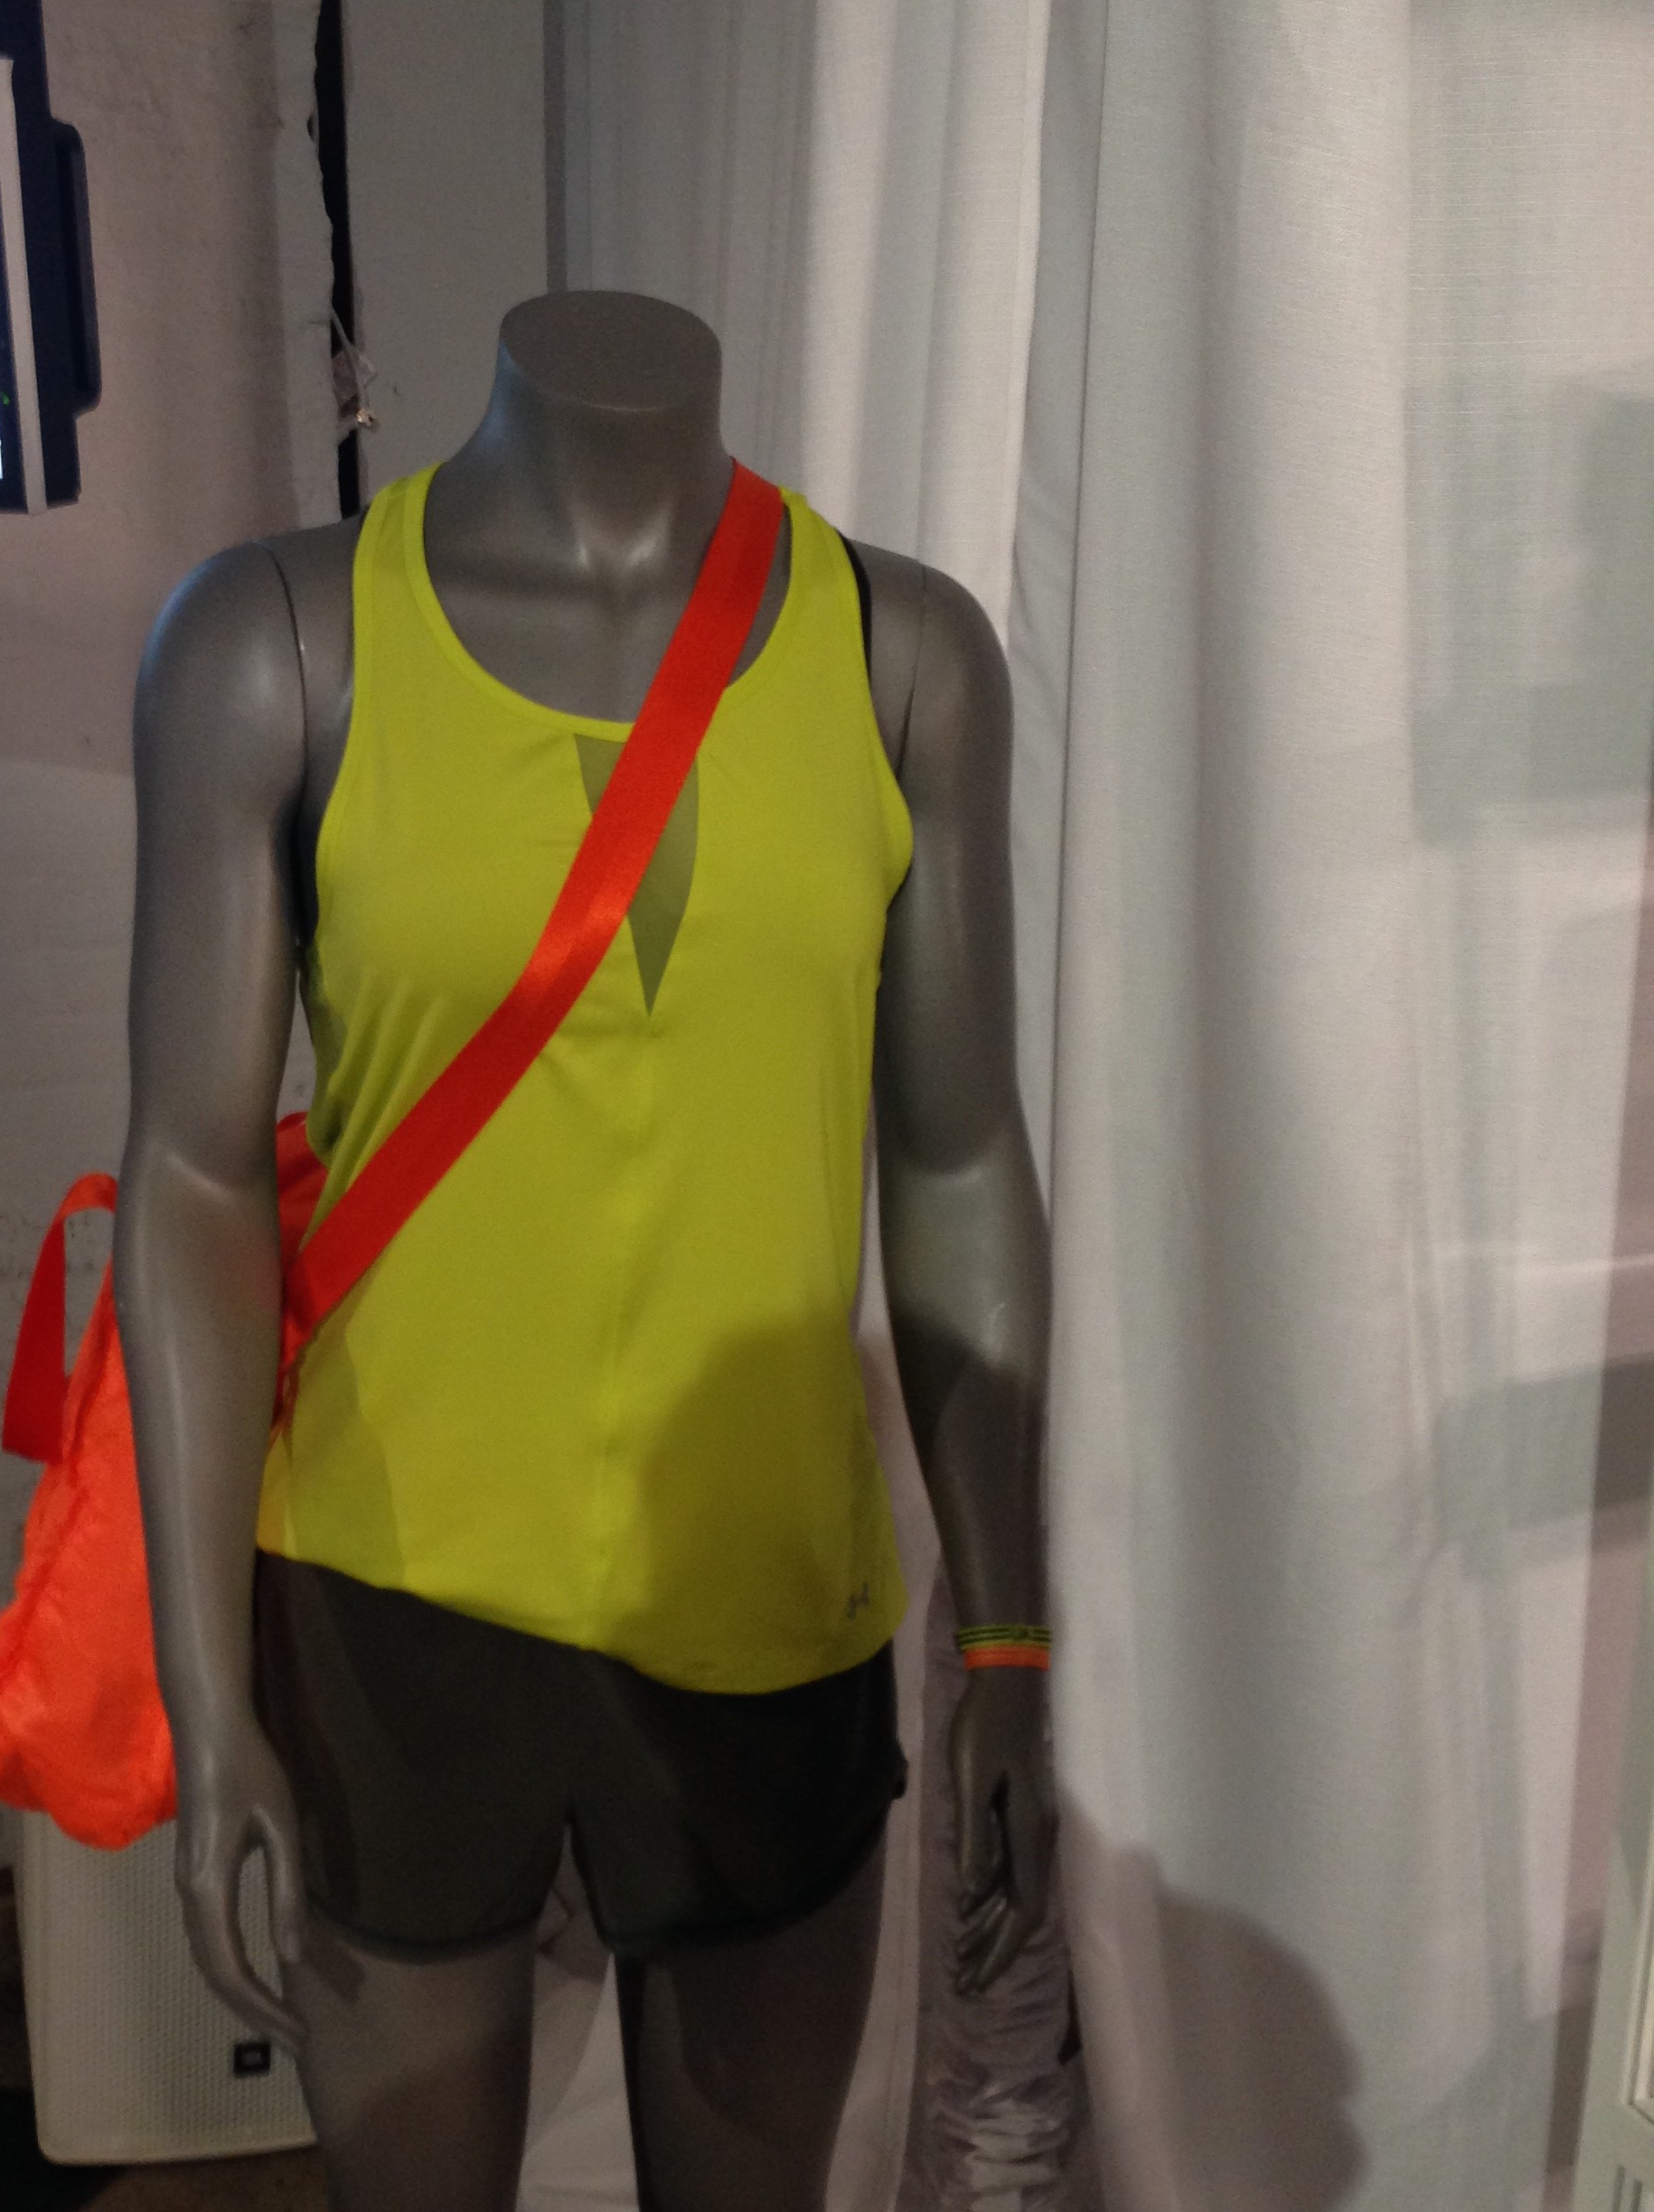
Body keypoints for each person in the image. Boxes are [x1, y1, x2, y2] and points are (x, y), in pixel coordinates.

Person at [116, 289, 1054, 2212]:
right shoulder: (277, 638)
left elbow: (959, 1154)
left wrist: (1008, 1638)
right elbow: (192, 1176)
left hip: (766, 1596)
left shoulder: (906, 656)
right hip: (391, 1597)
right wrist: (209, 1695)